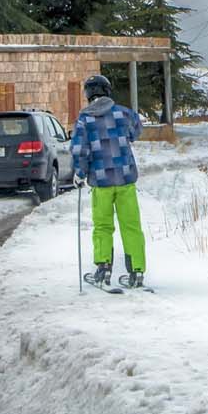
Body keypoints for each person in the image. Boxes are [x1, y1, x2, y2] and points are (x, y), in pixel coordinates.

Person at [70, 74, 147, 288]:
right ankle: (137, 271)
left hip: (101, 181)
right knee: (131, 225)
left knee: (103, 226)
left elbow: (79, 150)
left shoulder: (85, 120)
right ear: (107, 91)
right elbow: (136, 131)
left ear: (88, 94)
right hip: (125, 179)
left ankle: (103, 269)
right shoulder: (124, 113)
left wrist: (80, 173)